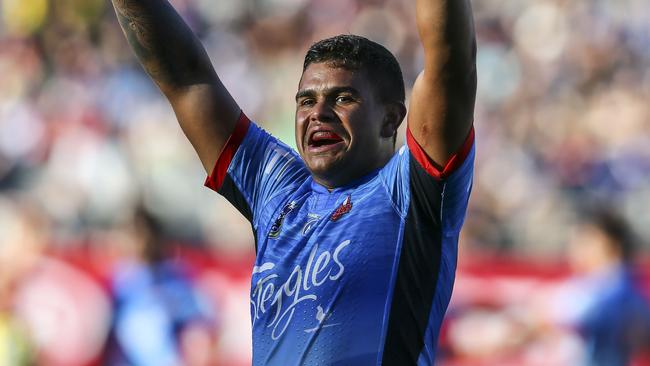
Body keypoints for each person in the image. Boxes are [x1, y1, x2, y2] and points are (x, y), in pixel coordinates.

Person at [109, 0, 476, 364]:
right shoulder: (276, 190)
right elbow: (186, 77)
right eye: (306, 101)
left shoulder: (412, 192)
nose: (318, 113)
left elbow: (450, 60)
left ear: (390, 119)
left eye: (343, 98)